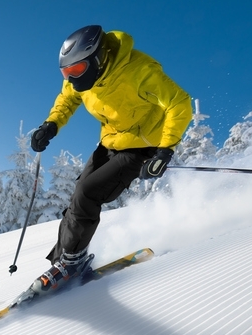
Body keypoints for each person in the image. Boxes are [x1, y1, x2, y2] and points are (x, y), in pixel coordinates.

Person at [30, 25, 192, 295]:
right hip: (110, 142)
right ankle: (64, 261)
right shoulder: (81, 78)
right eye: (65, 73)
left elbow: (180, 103)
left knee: (88, 193)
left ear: (97, 58)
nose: (71, 79)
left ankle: (71, 264)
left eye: (77, 71)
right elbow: (67, 100)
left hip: (142, 146)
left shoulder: (139, 72)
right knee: (78, 196)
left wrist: (165, 150)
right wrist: (51, 125)